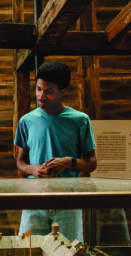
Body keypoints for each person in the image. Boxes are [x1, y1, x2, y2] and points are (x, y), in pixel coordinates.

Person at [14, 60, 97, 243]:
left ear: (63, 91)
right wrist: (34, 170)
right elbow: (20, 162)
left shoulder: (80, 120)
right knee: (29, 252)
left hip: (68, 201)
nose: (41, 96)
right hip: (34, 200)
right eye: (38, 89)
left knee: (69, 255)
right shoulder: (26, 121)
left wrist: (69, 161)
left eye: (49, 91)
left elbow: (91, 163)